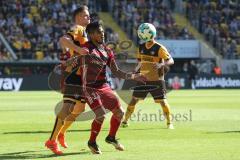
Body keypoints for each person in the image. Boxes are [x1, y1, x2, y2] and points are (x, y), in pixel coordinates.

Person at [75, 21, 147, 154]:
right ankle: (92, 142)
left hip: (104, 86)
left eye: (102, 31)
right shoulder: (85, 48)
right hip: (89, 88)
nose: (102, 34)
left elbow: (117, 71)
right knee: (101, 114)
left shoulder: (107, 50)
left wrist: (134, 76)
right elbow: (79, 58)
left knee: (120, 112)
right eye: (98, 32)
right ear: (90, 34)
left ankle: (111, 137)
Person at [45, 5, 90, 155]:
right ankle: (52, 140)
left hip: (81, 76)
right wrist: (78, 50)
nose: (88, 18)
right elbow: (63, 40)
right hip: (73, 75)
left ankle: (61, 133)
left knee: (79, 109)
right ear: (78, 17)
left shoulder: (85, 32)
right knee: (67, 109)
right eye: (85, 15)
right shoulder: (77, 28)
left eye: (89, 16)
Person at [121, 24, 174, 129]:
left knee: (162, 102)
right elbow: (140, 62)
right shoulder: (141, 48)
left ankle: (169, 123)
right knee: (133, 100)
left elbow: (171, 60)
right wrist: (135, 71)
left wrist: (162, 64)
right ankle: (125, 121)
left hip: (157, 80)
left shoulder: (159, 48)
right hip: (143, 79)